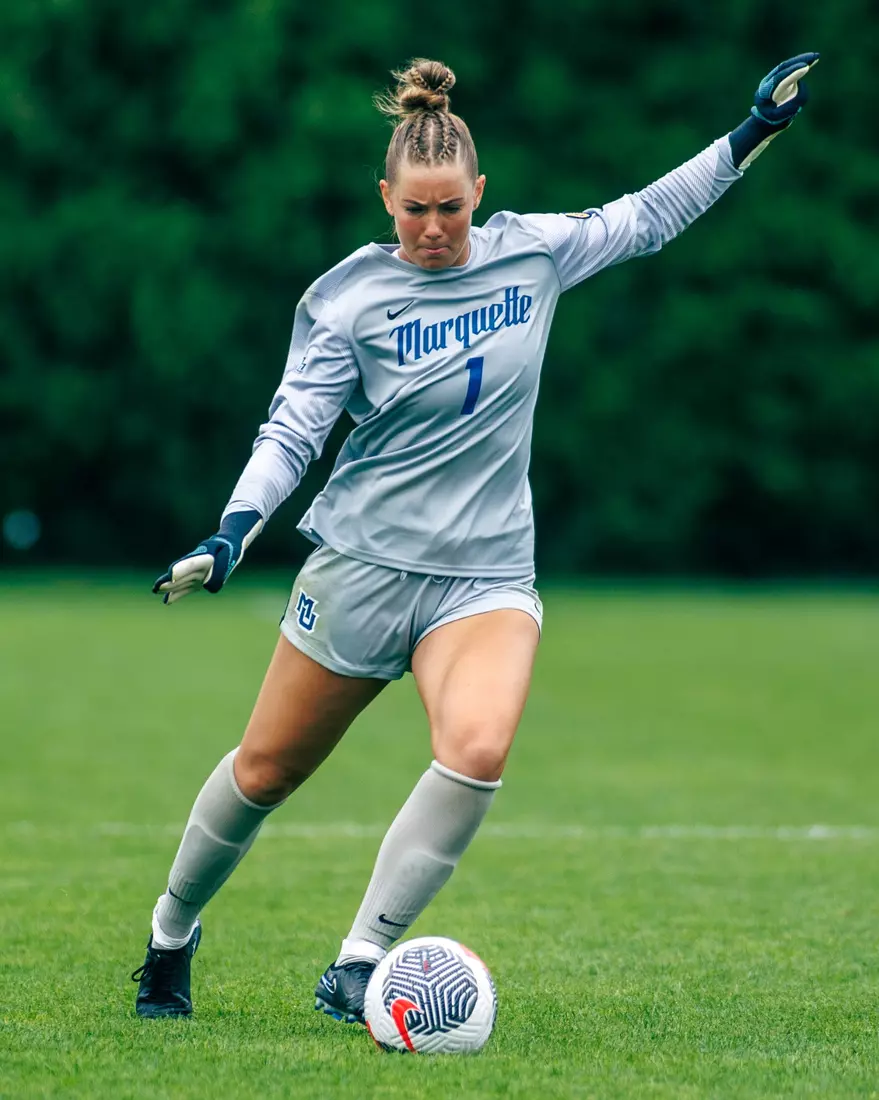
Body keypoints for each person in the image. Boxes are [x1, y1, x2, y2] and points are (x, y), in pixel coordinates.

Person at [131, 53, 819, 1021]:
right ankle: (169, 934)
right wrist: (236, 528)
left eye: (451, 207)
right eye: (414, 209)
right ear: (386, 198)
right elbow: (292, 428)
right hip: (364, 566)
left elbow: (647, 214)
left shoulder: (531, 252)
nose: (433, 228)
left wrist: (752, 136)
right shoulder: (348, 299)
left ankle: (361, 959)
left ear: (479, 194)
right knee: (266, 769)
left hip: (484, 574)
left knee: (480, 747)